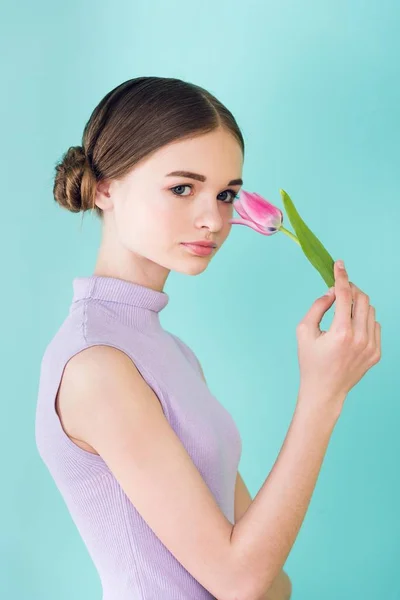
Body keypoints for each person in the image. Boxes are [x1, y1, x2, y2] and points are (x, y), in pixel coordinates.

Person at [35, 76, 381, 600]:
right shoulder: (97, 365)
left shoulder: (172, 355)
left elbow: (265, 575)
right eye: (182, 188)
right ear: (105, 187)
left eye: (226, 195)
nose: (213, 219)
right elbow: (239, 580)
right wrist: (323, 394)